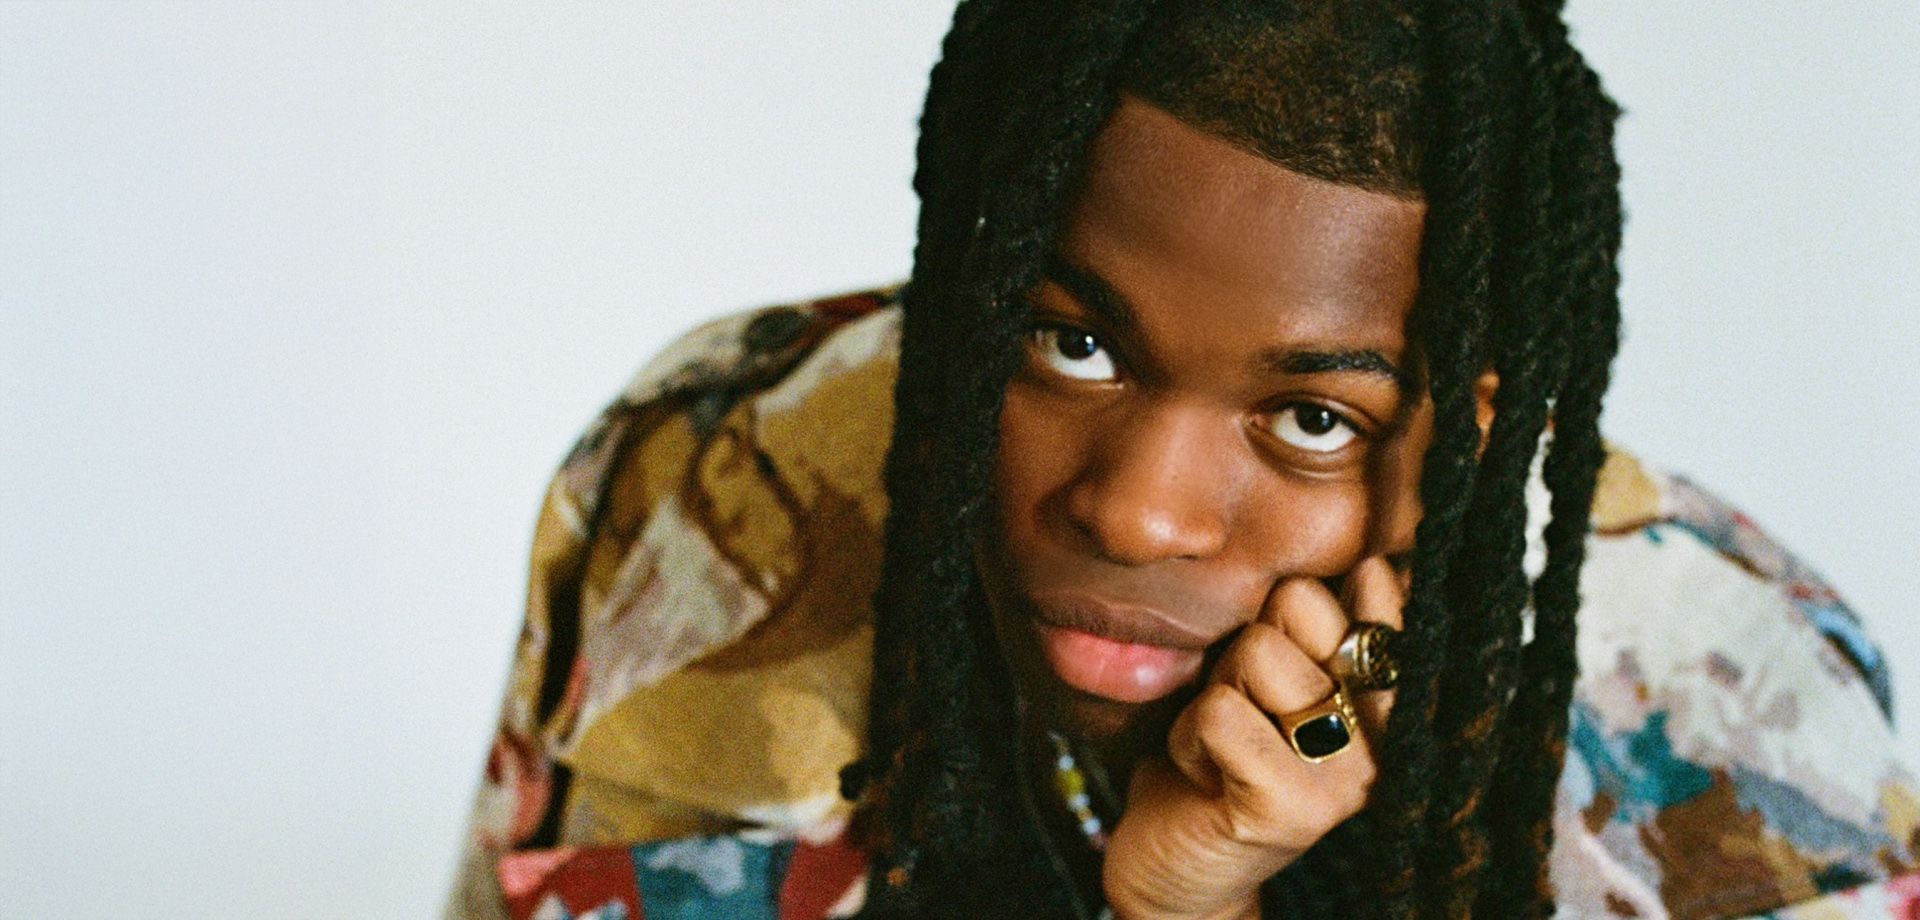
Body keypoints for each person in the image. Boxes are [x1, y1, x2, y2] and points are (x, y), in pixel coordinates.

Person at [442, 1, 1918, 918]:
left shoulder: (1737, 727)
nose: (1138, 514)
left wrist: (1195, 906)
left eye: (1313, 419)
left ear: (1472, 433)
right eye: (1070, 343)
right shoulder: (713, 484)